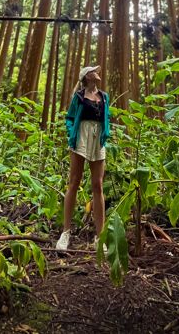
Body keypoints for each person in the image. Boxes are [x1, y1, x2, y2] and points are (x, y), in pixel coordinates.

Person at [56, 64, 110, 251]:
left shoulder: (104, 97)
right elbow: (70, 118)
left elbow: (106, 117)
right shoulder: (78, 97)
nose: (97, 72)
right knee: (74, 181)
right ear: (87, 77)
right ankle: (65, 232)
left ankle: (99, 237)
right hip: (80, 137)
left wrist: (106, 132)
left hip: (98, 140)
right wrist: (72, 135)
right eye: (93, 71)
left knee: (98, 185)